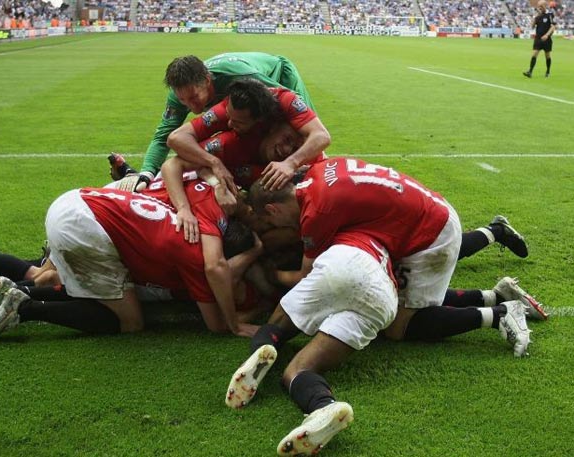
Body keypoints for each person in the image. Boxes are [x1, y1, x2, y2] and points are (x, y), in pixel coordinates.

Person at [222, 157, 535, 456]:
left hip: (415, 239)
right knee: (395, 311)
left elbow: (305, 273)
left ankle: (498, 313)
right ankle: (494, 278)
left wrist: (271, 274)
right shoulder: (320, 174)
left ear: (273, 209)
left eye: (267, 221)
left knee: (400, 325)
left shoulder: (317, 215)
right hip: (396, 261)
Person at [0, 180, 260, 343]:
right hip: (86, 228)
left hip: (75, 202)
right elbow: (216, 324)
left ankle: (9, 287)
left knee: (56, 278)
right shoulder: (199, 260)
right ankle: (24, 308)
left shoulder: (201, 204)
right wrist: (249, 311)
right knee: (131, 321)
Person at [120, 53, 316, 191]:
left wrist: (293, 162)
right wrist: (146, 174)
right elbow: (165, 137)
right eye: (183, 100)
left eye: (194, 97)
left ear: (207, 80)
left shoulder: (238, 76)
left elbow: (289, 103)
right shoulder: (179, 94)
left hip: (277, 76)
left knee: (296, 135)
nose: (190, 105)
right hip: (236, 110)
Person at [167, 78, 330, 193]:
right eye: (229, 117)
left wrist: (291, 163)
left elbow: (322, 136)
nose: (229, 124)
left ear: (261, 122)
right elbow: (175, 140)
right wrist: (214, 165)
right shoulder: (229, 131)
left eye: (238, 122)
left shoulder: (285, 102)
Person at [523, 0, 556, 78]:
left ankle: (548, 71)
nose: (539, 8)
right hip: (538, 39)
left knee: (547, 56)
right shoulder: (538, 16)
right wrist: (535, 18)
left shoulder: (550, 15)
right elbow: (532, 26)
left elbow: (553, 27)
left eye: (541, 6)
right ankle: (530, 72)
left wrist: (547, 35)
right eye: (539, 6)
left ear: (545, 6)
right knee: (534, 55)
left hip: (547, 39)